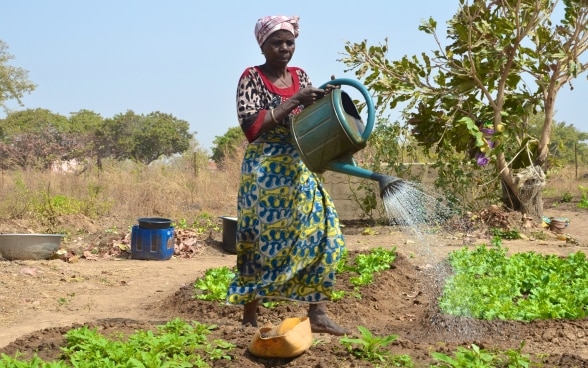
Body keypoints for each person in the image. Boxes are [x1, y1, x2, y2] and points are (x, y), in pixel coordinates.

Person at [226, 15, 348, 336]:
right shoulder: (251, 78)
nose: (284, 48)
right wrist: (293, 100)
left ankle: (318, 313)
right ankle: (250, 316)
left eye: (289, 42)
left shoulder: (301, 75)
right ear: (262, 46)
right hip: (265, 173)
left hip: (299, 165)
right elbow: (252, 127)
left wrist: (323, 98)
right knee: (260, 242)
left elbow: (307, 120)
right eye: (276, 43)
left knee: (327, 234)